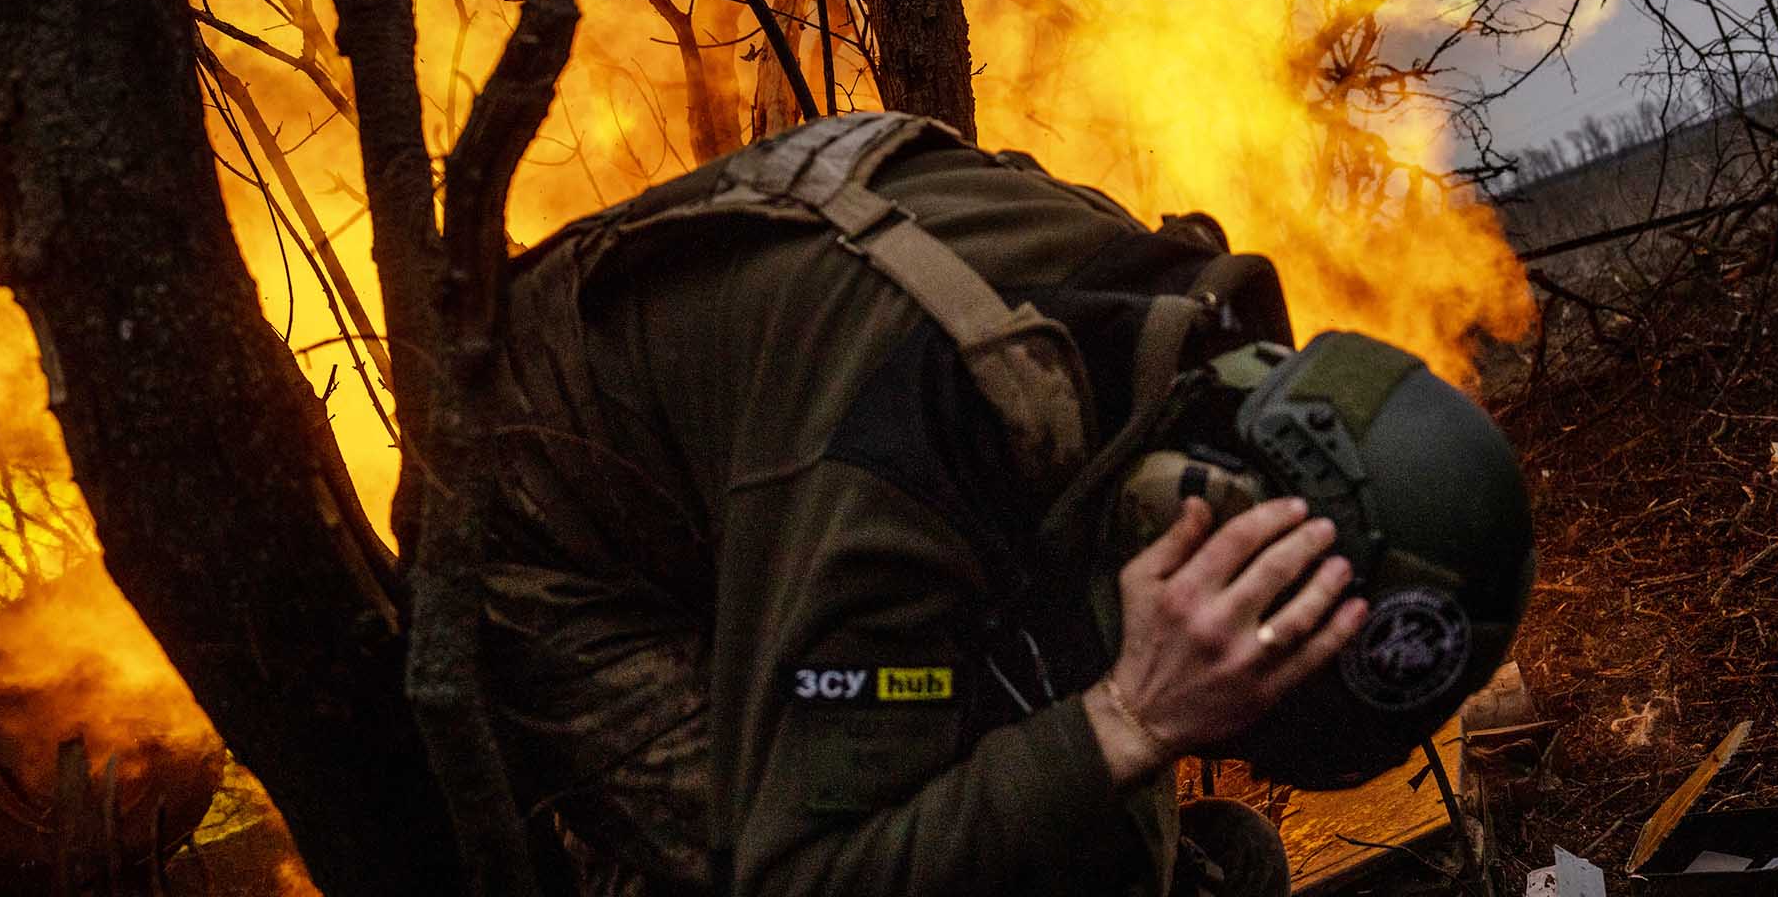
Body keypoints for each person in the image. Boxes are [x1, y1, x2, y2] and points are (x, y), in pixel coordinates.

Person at [484, 112, 1534, 896]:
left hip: (773, 451)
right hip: (554, 529)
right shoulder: (911, 451)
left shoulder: (1176, 355)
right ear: (1200, 510)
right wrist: (1134, 717)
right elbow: (801, 874)